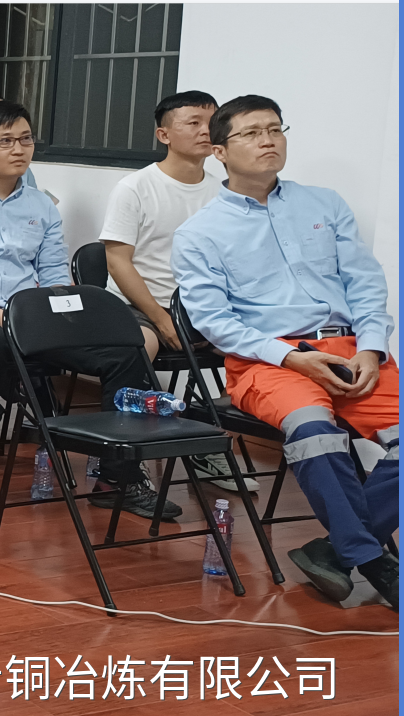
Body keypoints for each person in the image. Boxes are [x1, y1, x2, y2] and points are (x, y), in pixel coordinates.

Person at [173, 95, 398, 610]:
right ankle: (372, 559)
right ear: (219, 151)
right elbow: (215, 322)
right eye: (252, 133)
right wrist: (292, 358)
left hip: (350, 350)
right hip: (268, 361)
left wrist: (370, 347)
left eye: (275, 129)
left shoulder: (325, 204)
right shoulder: (199, 233)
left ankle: (335, 551)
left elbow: (365, 283)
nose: (268, 140)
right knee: (315, 434)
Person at [0, 99, 179, 519]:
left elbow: (54, 273)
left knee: (125, 351)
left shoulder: (40, 205)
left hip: (33, 317)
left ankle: (117, 478)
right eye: (5, 141)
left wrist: (68, 313)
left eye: (25, 139)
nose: (19, 149)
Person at [99, 90, 253, 492]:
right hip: (137, 306)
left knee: (258, 344)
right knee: (140, 348)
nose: (206, 131)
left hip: (200, 307)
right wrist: (160, 316)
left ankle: (206, 443)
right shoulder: (135, 187)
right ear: (164, 135)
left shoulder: (224, 192)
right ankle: (119, 468)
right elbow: (117, 262)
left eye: (212, 123)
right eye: (193, 123)